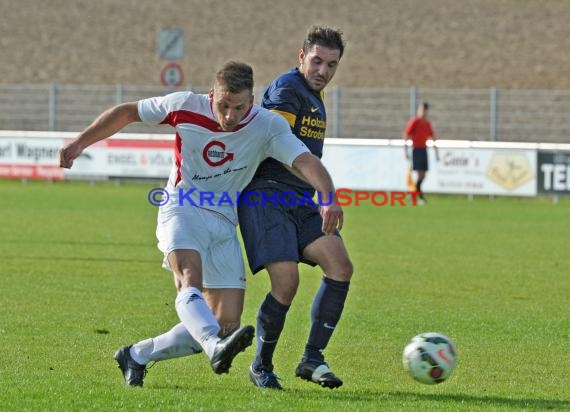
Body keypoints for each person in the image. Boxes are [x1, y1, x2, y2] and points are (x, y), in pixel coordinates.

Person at [59, 61, 343, 387]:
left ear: (252, 100)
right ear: (213, 93)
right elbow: (128, 112)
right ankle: (214, 349)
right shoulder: (184, 105)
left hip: (224, 219)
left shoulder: (267, 126)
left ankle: (136, 355)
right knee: (189, 279)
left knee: (223, 323)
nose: (229, 115)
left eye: (239, 107)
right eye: (223, 105)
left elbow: (306, 160)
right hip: (181, 206)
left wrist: (327, 196)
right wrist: (79, 142)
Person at [237, 26, 352, 390]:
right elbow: (277, 146)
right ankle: (261, 365)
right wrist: (325, 192)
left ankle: (312, 358)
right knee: (287, 283)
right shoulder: (287, 90)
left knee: (340, 266)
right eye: (316, 61)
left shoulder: (315, 96)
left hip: (299, 198)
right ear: (301, 56)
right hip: (267, 195)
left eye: (331, 64)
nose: (323, 71)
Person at [403, 101, 439, 204]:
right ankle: (420, 197)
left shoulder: (427, 123)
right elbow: (406, 134)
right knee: (420, 173)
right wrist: (405, 149)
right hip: (416, 149)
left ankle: (412, 194)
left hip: (424, 149)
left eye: (424, 110)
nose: (422, 112)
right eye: (421, 110)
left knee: (423, 175)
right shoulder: (415, 121)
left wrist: (436, 151)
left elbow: (432, 136)